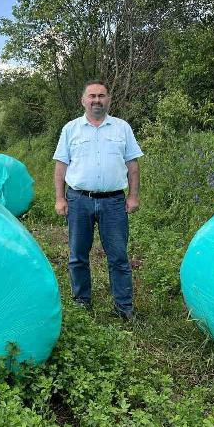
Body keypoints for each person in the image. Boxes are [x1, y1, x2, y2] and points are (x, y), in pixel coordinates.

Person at [52, 80, 143, 321]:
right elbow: (61, 166)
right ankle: (82, 302)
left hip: (113, 202)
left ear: (109, 99)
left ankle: (124, 308)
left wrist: (133, 196)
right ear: (83, 100)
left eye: (101, 96)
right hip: (79, 200)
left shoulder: (122, 128)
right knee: (77, 255)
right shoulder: (71, 129)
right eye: (91, 96)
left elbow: (132, 164)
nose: (96, 100)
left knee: (118, 256)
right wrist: (60, 198)